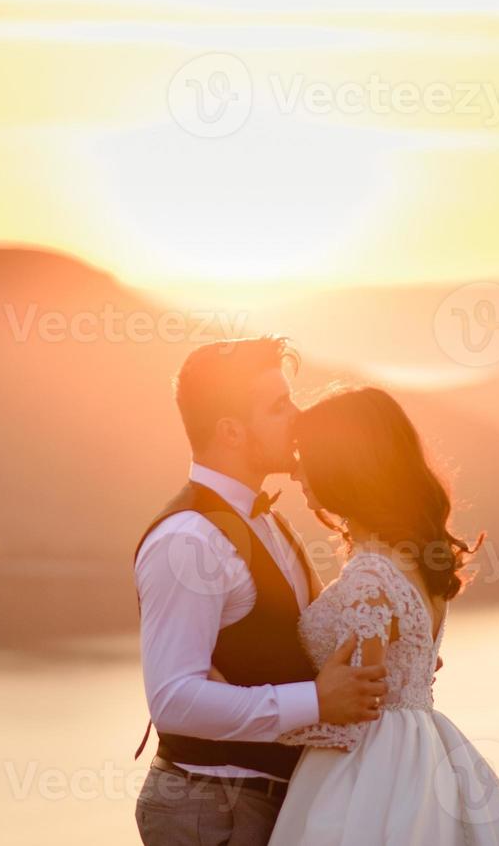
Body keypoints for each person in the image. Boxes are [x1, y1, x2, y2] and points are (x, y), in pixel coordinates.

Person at [133, 337, 388, 846]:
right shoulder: (189, 541)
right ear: (231, 431)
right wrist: (314, 702)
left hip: (265, 802)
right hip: (210, 809)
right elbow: (173, 701)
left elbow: (297, 644)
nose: (297, 417)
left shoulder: (270, 522)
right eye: (278, 407)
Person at [268, 385, 499, 845]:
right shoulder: (417, 562)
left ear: (344, 465)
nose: (296, 471)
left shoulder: (370, 575)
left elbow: (360, 703)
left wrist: (266, 720)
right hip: (424, 747)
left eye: (307, 456)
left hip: (367, 768)